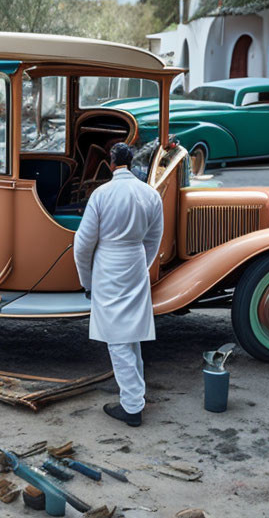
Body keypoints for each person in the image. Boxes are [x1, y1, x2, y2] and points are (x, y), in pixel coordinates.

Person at [73, 142, 164, 427]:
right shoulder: (150, 193)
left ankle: (132, 406)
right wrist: (142, 264)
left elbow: (83, 244)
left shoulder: (101, 194)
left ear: (111, 162)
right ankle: (136, 395)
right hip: (135, 261)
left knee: (117, 339)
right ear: (131, 161)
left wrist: (86, 280)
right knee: (131, 333)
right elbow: (154, 239)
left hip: (109, 265)